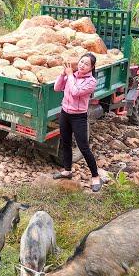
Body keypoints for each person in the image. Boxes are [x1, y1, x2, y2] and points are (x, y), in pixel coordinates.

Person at [53, 53, 103, 192]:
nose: (82, 65)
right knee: (66, 142)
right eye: (81, 62)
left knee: (83, 147)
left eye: (86, 64)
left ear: (92, 67)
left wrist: (69, 75)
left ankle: (95, 176)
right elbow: (57, 88)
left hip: (78, 117)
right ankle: (67, 170)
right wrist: (63, 74)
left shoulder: (91, 81)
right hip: (65, 113)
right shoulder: (72, 76)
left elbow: (75, 92)